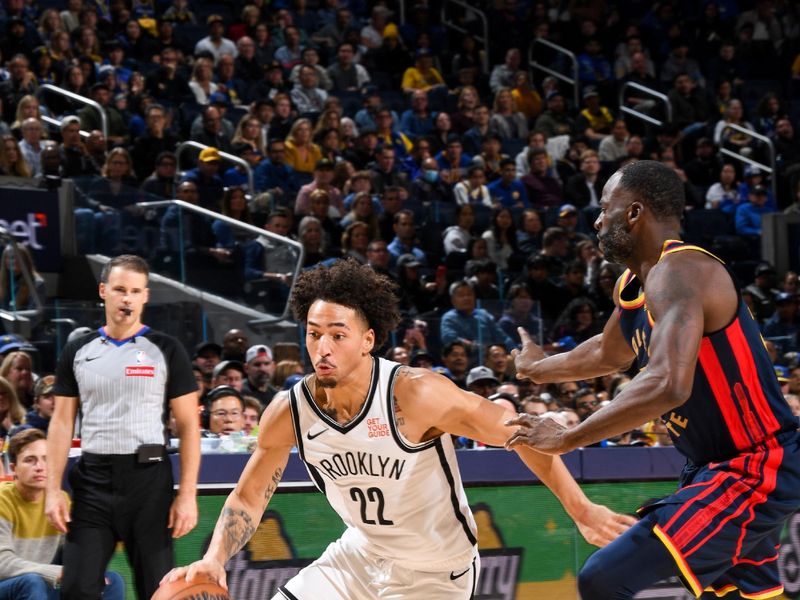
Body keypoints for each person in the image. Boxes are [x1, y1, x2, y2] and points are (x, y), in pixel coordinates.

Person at [163, 259, 632, 598]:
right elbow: (249, 496)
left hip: (436, 574)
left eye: (337, 335)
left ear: (368, 340)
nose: (322, 347)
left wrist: (582, 508)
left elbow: (520, 433)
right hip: (357, 559)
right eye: (313, 332)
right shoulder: (290, 410)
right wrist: (215, 557)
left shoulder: (414, 394)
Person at [505, 160, 800, 600]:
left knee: (603, 578)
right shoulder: (638, 283)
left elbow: (667, 383)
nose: (598, 219)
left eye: (606, 207)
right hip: (714, 468)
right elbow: (608, 352)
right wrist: (537, 367)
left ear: (635, 212)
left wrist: (569, 437)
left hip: (756, 465)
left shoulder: (681, 270)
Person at [45, 254, 201, 600]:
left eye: (135, 291)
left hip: (149, 482)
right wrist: (53, 489)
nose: (126, 298)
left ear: (145, 296)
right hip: (93, 482)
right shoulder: (77, 350)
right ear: (103, 291)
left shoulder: (166, 349)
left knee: (158, 590)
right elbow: (60, 422)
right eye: (119, 289)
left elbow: (190, 426)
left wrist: (187, 494)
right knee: (76, 588)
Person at [0, 428, 124, 600]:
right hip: (7, 585)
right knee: (32, 582)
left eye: (46, 459)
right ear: (14, 468)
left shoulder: (60, 500)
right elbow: (2, 563)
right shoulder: (2, 501)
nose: (40, 467)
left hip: (40, 583)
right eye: (30, 460)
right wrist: (57, 571)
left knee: (111, 580)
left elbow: (79, 547)